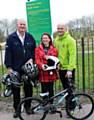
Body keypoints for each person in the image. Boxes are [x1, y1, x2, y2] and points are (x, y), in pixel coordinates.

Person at [4, 19, 36, 118]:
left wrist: (32, 59)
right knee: (16, 90)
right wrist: (9, 67)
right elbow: (8, 53)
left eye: (24, 24)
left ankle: (28, 107)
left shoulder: (30, 37)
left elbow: (34, 50)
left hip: (27, 68)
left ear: (26, 26)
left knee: (28, 89)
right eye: (20, 24)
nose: (22, 26)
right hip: (15, 68)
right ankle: (17, 109)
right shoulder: (11, 38)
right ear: (17, 25)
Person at [54, 24, 76, 111]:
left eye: (61, 28)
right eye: (58, 28)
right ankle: (68, 105)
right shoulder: (56, 40)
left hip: (68, 70)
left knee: (70, 89)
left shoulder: (70, 40)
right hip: (60, 69)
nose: (59, 30)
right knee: (65, 90)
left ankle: (72, 108)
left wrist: (70, 69)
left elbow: (72, 56)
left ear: (66, 29)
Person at [35, 32, 58, 105]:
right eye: (43, 38)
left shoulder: (54, 49)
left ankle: (51, 104)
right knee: (44, 89)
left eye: (46, 38)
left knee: (51, 89)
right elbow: (37, 59)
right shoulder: (38, 49)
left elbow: (55, 59)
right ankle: (45, 104)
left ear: (49, 39)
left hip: (51, 72)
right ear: (41, 40)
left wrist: (49, 60)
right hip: (42, 72)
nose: (44, 39)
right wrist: (41, 65)